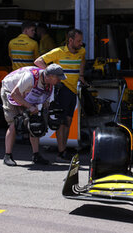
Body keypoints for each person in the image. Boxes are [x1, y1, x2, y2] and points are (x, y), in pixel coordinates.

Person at [34, 28, 86, 161]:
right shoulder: (58, 52)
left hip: (73, 91)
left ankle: (63, 149)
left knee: (68, 121)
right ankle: (61, 151)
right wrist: (50, 77)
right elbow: (38, 61)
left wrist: (81, 75)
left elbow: (82, 60)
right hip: (61, 90)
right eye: (78, 41)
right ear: (70, 40)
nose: (81, 43)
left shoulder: (81, 51)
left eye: (81, 40)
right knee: (61, 122)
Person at [0, 64, 66, 166]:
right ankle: (7, 156)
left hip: (26, 94)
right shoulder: (30, 77)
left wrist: (46, 118)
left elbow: (46, 103)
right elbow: (14, 94)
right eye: (58, 78)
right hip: (10, 91)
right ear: (51, 76)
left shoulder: (49, 85)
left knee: (35, 123)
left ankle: (36, 155)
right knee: (14, 123)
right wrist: (30, 107)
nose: (60, 81)